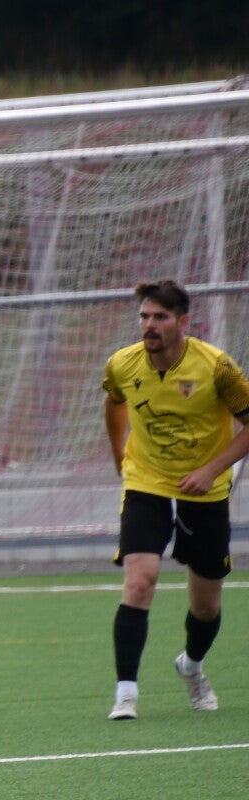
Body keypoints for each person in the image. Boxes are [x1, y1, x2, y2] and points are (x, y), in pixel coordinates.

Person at [100, 278, 249, 720]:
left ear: (183, 322)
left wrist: (210, 470)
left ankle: (192, 666)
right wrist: (119, 456)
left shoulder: (217, 368)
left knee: (206, 606)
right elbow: (114, 402)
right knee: (140, 581)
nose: (149, 325)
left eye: (160, 317)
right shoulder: (123, 363)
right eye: (144, 316)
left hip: (204, 492)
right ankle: (126, 693)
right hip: (146, 483)